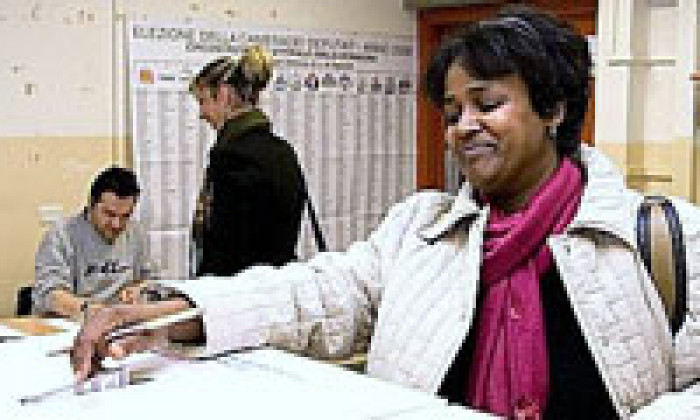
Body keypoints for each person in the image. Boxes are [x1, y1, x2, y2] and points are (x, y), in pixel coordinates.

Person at [71, 7, 700, 419]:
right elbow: (317, 294)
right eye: (451, 112)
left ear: (554, 109)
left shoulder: (663, 238)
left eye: (487, 104)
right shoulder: (421, 231)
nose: (464, 127)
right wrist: (178, 312)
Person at [189, 45, 306, 276]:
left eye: (203, 101)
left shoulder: (229, 158)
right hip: (278, 284)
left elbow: (222, 250)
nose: (201, 114)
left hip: (240, 291)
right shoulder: (284, 152)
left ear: (224, 94)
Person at [33, 166, 157, 320]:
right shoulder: (61, 236)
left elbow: (150, 279)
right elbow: (49, 294)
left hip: (121, 323)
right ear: (91, 204)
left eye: (125, 216)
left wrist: (140, 290)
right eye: (109, 214)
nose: (117, 224)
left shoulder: (136, 233)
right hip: (75, 321)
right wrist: (87, 309)